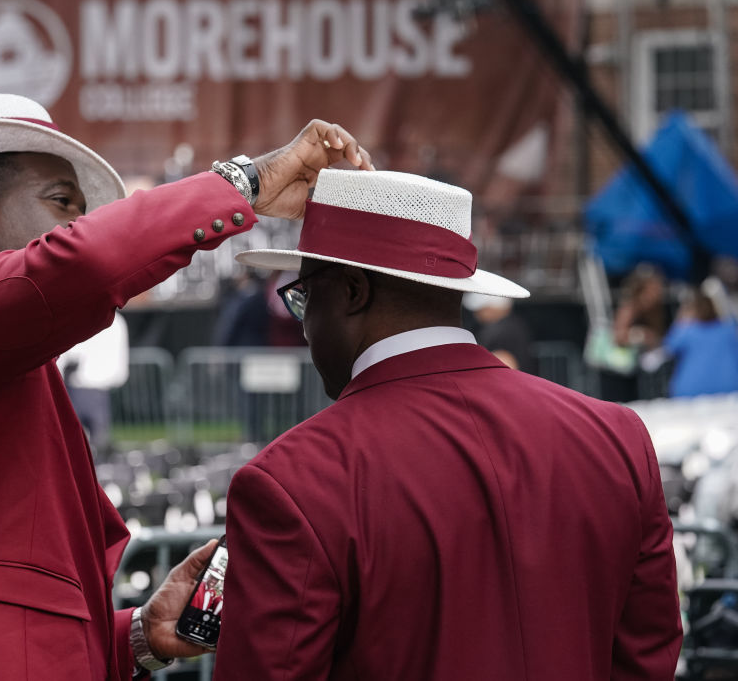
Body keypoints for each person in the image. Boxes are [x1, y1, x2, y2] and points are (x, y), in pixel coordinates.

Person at [0, 93, 373, 680]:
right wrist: (246, 182)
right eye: (61, 203)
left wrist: (139, 635)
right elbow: (81, 263)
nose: (78, 224)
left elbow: (7, 609)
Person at [214, 169, 682, 680]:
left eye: (305, 296)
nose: (304, 324)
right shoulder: (617, 437)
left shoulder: (295, 479)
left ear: (351, 290)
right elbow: (648, 655)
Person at [58, 313, 129, 452]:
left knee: (89, 441)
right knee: (87, 440)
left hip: (85, 388)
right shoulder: (115, 321)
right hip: (86, 389)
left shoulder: (111, 321)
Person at [663, 286, 738, 398]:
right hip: (729, 388)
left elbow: (668, 348)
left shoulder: (686, 332)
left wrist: (681, 319)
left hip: (690, 391)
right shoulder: (729, 329)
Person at [462, 291, 534, 371]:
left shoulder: (501, 331)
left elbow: (505, 363)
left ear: (493, 308)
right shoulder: (515, 325)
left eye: (482, 310)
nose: (476, 315)